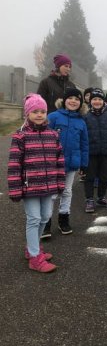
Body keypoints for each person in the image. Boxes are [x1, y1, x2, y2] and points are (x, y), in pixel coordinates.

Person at [8, 93, 65, 272]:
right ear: (27, 113)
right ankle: (34, 257)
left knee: (45, 217)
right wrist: (15, 189)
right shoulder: (21, 136)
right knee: (34, 219)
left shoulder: (53, 135)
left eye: (42, 111)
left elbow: (59, 160)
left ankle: (32, 247)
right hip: (29, 187)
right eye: (35, 111)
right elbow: (14, 164)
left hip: (49, 185)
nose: (39, 115)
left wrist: (60, 182)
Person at [44, 88, 89, 237]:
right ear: (64, 100)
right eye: (70, 98)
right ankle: (46, 222)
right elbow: (43, 138)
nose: (73, 101)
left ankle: (64, 219)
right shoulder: (53, 117)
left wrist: (84, 164)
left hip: (72, 163)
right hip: (53, 163)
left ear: (81, 103)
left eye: (77, 99)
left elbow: (84, 144)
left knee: (67, 191)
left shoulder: (81, 121)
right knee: (51, 193)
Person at [84, 88, 107, 213]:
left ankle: (101, 197)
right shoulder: (86, 116)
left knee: (105, 176)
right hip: (91, 153)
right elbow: (83, 137)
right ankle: (89, 199)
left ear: (103, 101)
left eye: (99, 99)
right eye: (94, 99)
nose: (97, 101)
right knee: (90, 177)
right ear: (90, 101)